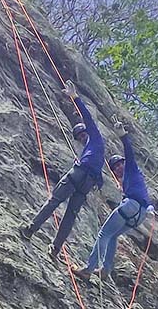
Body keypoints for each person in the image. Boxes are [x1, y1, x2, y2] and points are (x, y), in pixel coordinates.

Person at [19, 86, 105, 263]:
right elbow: (99, 174)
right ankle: (55, 249)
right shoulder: (95, 149)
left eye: (82, 134)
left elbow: (87, 118)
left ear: (86, 132)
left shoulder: (95, 137)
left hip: (78, 175)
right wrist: (98, 181)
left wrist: (75, 97)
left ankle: (30, 229)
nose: (81, 138)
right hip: (87, 182)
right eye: (79, 137)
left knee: (54, 201)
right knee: (70, 216)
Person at [74, 122, 154, 281]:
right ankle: (106, 270)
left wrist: (123, 136)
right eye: (115, 167)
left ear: (124, 163)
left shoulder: (131, 169)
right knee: (112, 236)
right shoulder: (128, 180)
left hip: (132, 207)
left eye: (119, 165)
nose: (117, 168)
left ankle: (88, 269)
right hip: (140, 215)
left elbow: (129, 153)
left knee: (103, 234)